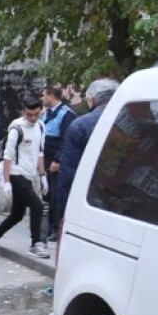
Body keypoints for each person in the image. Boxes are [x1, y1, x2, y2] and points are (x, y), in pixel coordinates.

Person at [0, 96, 49, 260]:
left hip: (30, 174)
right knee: (38, 206)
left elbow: (40, 153)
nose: (33, 118)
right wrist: (6, 183)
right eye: (29, 115)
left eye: (36, 114)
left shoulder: (40, 127)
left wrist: (42, 176)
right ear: (23, 112)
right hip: (15, 174)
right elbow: (7, 156)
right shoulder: (16, 129)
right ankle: (36, 244)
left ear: (40, 111)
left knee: (17, 215)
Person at [56, 78, 119, 217]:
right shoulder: (136, 122)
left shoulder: (80, 125)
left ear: (91, 100)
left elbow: (68, 175)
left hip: (89, 203)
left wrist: (62, 215)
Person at [40, 85, 77, 240]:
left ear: (50, 96)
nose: (41, 99)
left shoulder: (66, 114)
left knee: (56, 195)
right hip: (43, 158)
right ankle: (45, 226)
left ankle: (56, 227)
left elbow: (66, 140)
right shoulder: (44, 114)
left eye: (43, 96)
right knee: (45, 194)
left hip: (55, 160)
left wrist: (58, 160)